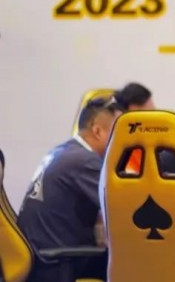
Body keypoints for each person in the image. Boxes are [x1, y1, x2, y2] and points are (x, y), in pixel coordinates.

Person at [18, 96, 123, 281]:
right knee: (132, 262)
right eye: (116, 135)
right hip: (56, 263)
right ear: (97, 131)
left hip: (39, 257)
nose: (120, 142)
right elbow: (122, 209)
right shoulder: (85, 161)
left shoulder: (62, 151)